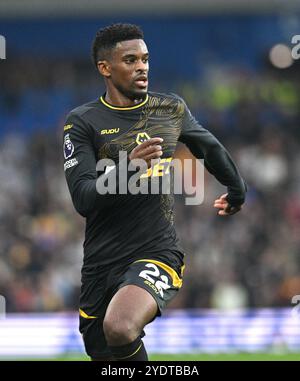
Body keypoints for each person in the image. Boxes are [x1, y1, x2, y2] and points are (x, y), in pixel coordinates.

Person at [63, 23, 247, 361]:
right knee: (108, 349)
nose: (142, 67)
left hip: (157, 252)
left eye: (145, 59)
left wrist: (237, 190)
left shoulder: (169, 110)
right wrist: (130, 166)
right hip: (100, 265)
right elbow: (83, 198)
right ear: (105, 68)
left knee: (120, 325)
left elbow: (210, 148)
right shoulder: (82, 122)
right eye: (130, 60)